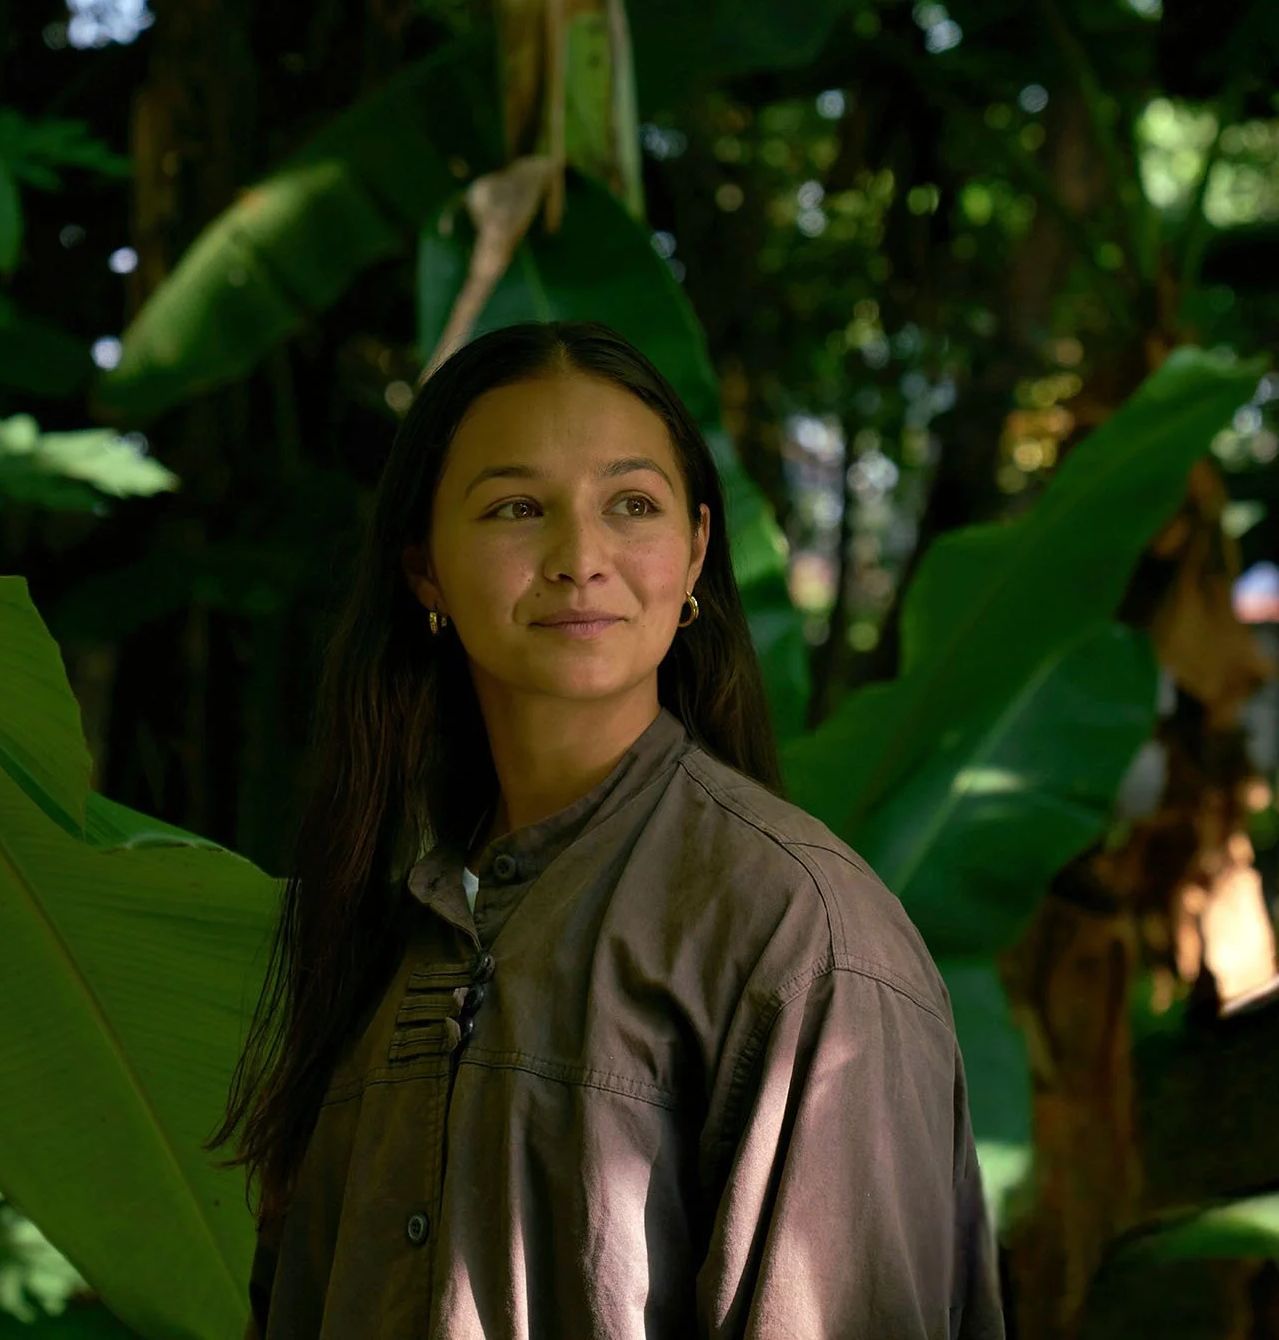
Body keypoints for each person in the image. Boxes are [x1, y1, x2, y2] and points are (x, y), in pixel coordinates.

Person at [209, 319, 1005, 1339]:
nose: (578, 557)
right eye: (514, 507)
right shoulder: (383, 922)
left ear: (696, 553)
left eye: (631, 504)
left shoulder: (797, 931)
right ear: (424, 573)